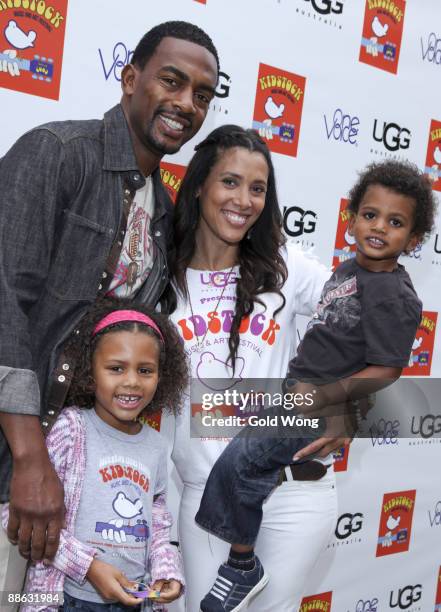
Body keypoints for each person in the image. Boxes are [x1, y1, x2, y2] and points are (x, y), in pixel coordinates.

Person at [0, 20, 219, 591]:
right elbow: (4, 306)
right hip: (15, 465)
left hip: (76, 491)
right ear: (129, 78)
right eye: (171, 81)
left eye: (202, 95)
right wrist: (28, 459)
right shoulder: (56, 154)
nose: (186, 104)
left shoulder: (166, 210)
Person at [195, 159, 436, 611]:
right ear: (351, 218)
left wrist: (328, 400)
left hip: (316, 406)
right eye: (370, 215)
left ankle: (242, 565)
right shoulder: (348, 271)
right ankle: (241, 559)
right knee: (244, 463)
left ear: (415, 239)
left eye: (396, 222)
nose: (379, 227)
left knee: (239, 461)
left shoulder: (393, 294)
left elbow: (387, 369)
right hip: (296, 393)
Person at [161, 124, 347, 612]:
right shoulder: (161, 281)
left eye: (258, 188)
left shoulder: (285, 267)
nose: (244, 199)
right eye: (230, 182)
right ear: (199, 183)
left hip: (293, 493)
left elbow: (368, 319)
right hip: (209, 500)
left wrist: (352, 401)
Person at [2, 298, 189, 611]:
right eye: (116, 368)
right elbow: (18, 515)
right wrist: (87, 566)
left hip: (133, 600)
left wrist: (166, 570)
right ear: (90, 373)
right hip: (65, 599)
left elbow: (156, 521)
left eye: (145, 370)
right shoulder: (69, 429)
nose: (131, 381)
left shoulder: (156, 446)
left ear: (162, 377)